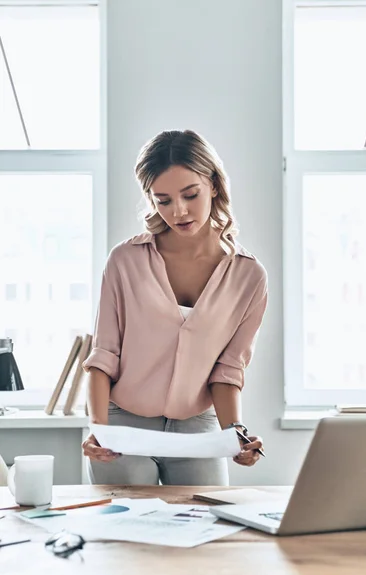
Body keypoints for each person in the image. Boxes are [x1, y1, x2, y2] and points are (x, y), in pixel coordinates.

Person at [81, 129, 268, 485]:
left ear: (213, 184)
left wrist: (236, 435)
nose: (178, 211)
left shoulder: (249, 276)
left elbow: (227, 372)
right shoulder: (125, 261)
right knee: (129, 534)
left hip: (198, 430)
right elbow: (103, 355)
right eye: (163, 200)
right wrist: (99, 430)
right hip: (124, 426)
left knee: (209, 528)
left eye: (190, 194)